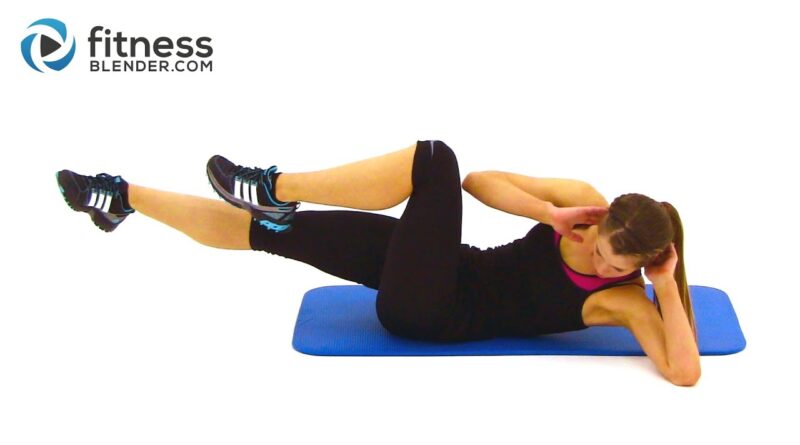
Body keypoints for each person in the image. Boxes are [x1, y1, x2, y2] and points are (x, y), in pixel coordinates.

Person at [55, 139, 701, 386]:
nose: (600, 260)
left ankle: (277, 183)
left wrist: (666, 287)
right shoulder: (582, 205)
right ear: (604, 217)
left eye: (615, 262)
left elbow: (683, 370)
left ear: (643, 264)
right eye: (601, 244)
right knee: (272, 232)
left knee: (434, 159)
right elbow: (480, 183)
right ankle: (122, 198)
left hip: (433, 310)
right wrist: (548, 212)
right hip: (436, 266)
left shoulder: (621, 300)